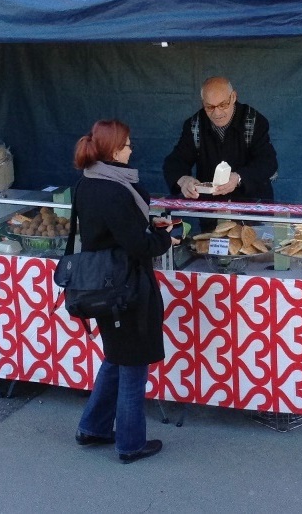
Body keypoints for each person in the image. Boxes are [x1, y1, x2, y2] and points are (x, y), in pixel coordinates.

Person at [70, 119, 179, 464]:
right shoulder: (115, 190)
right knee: (133, 364)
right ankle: (130, 444)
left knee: (117, 357)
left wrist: (149, 227)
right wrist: (165, 238)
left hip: (103, 285)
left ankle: (93, 427)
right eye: (128, 144)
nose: (132, 149)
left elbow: (113, 231)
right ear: (114, 149)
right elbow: (136, 244)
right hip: (126, 288)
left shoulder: (88, 181)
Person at [163, 76, 279, 205]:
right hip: (211, 205)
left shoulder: (254, 121)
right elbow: (176, 161)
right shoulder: (195, 124)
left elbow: (267, 162)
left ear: (233, 97)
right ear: (203, 103)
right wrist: (183, 180)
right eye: (210, 107)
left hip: (252, 203)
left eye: (223, 105)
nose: (217, 113)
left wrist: (238, 177)